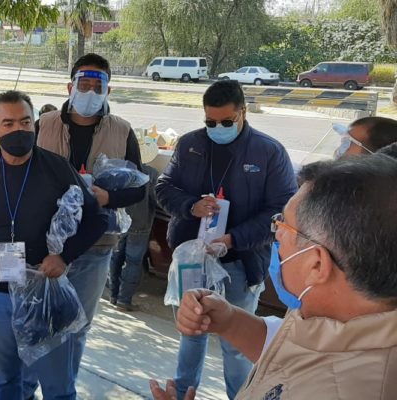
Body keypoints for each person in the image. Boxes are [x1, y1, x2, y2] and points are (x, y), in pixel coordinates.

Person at [154, 154, 397, 399]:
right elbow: (289, 349)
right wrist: (229, 320)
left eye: (284, 226)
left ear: (317, 264)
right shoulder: (338, 315)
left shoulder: (339, 390)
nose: (277, 235)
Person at [0, 90, 108, 399]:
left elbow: (97, 220)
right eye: (7, 123)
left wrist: (64, 255)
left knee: (57, 384)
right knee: (6, 378)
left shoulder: (57, 168)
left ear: (35, 124)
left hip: (45, 294)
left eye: (24, 122)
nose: (17, 130)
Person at [156, 80, 297, 400]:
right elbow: (164, 187)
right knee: (191, 334)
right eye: (210, 122)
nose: (216, 128)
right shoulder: (190, 144)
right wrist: (190, 206)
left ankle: (242, 396)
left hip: (240, 263)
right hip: (192, 260)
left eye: (225, 122)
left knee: (236, 346)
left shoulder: (268, 151)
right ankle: (181, 394)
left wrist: (234, 239)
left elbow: (281, 212)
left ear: (243, 113)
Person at [35, 53, 147, 384]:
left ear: (108, 91)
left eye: (98, 86)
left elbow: (139, 188)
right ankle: (32, 386)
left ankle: (63, 389)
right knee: (37, 322)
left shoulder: (122, 132)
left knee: (77, 327)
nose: (90, 92)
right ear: (70, 86)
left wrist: (109, 197)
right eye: (84, 84)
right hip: (44, 245)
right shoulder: (43, 125)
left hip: (96, 247)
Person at [108, 164, 159, 311]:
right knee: (133, 262)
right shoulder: (151, 173)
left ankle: (113, 295)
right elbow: (155, 198)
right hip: (141, 223)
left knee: (115, 258)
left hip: (120, 221)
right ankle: (124, 300)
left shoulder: (121, 167)